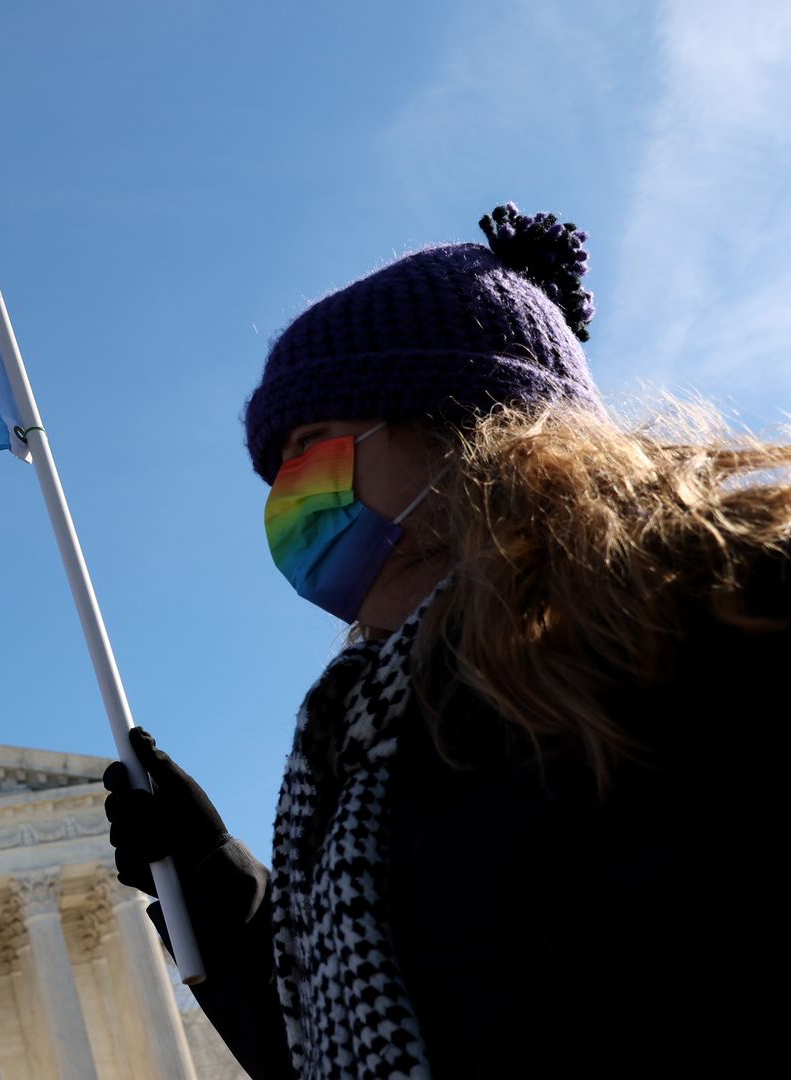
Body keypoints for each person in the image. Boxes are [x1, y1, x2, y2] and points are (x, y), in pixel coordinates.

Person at [104, 204, 789, 1078]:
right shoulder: (368, 741)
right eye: (279, 469)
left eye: (311, 443)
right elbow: (358, 1043)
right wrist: (206, 879)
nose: (289, 492)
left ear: (465, 428)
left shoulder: (717, 621)